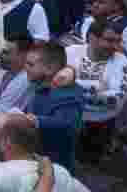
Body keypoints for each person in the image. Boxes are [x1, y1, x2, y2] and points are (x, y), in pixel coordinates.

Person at [65, 17, 127, 162]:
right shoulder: (70, 53)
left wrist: (72, 86)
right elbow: (51, 83)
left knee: (90, 167)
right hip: (65, 118)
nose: (115, 46)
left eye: (118, 41)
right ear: (91, 37)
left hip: (98, 126)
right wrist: (96, 87)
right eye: (109, 40)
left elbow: (115, 99)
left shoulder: (122, 62)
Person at [22, 41, 85, 173]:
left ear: (50, 69)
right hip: (38, 162)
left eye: (30, 64)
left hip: (55, 168)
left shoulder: (69, 94)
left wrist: (34, 120)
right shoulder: (41, 85)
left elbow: (68, 123)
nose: (25, 67)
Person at [0, 34, 35, 115]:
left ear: (23, 55)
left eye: (6, 52)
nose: (0, 55)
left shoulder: (30, 80)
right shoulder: (2, 71)